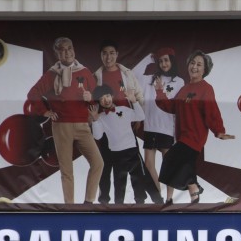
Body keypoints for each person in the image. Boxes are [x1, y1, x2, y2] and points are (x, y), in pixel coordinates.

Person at [25, 36, 104, 204]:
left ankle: (88, 203)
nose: (67, 52)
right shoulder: (51, 74)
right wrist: (45, 111)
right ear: (57, 54)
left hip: (83, 125)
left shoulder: (84, 72)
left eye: (69, 48)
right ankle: (70, 207)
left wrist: (90, 98)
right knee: (67, 171)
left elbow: (94, 100)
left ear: (74, 50)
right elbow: (33, 94)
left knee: (98, 163)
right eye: (62, 50)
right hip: (62, 126)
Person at [155, 50, 234, 204]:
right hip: (183, 136)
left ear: (205, 70)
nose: (194, 67)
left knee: (172, 159)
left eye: (199, 64)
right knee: (181, 165)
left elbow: (212, 111)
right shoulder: (184, 89)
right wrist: (160, 92)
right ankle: (189, 194)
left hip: (195, 137)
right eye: (192, 63)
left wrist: (219, 131)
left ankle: (193, 187)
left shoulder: (206, 88)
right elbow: (172, 107)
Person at [89, 85, 161, 205]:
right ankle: (119, 205)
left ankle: (154, 201)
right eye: (102, 98)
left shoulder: (124, 109)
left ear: (111, 96)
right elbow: (98, 136)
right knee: (119, 181)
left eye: (107, 96)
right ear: (98, 102)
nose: (106, 100)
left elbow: (140, 116)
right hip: (116, 154)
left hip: (132, 151)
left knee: (142, 177)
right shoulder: (100, 117)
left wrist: (133, 101)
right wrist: (95, 120)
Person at [93, 41, 146, 203]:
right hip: (105, 124)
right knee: (105, 165)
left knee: (135, 167)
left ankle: (140, 199)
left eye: (111, 53)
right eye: (104, 53)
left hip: (126, 122)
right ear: (101, 55)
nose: (108, 57)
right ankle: (104, 199)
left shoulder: (127, 74)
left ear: (117, 54)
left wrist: (138, 117)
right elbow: (93, 102)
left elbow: (138, 95)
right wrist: (95, 120)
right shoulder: (96, 76)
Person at [135, 48, 183, 203]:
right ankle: (159, 199)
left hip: (167, 128)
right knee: (149, 165)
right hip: (150, 127)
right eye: (160, 61)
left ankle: (170, 198)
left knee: (168, 165)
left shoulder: (178, 81)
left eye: (166, 60)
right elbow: (134, 75)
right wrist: (148, 59)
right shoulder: (149, 79)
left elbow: (179, 107)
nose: (163, 64)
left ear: (172, 61)